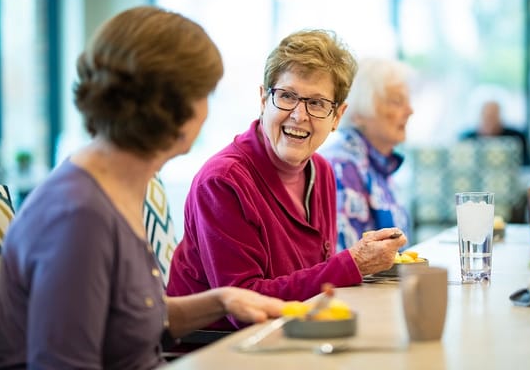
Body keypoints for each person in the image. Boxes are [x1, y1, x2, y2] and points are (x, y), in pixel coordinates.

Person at [0, 6, 284, 369]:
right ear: (173, 109)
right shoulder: (78, 216)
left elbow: (130, 319)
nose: (207, 112)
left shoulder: (117, 184)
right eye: (204, 96)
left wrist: (222, 300)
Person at [166, 29, 408, 331]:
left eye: (317, 103)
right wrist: (352, 264)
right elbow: (244, 308)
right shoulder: (223, 182)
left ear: (337, 117)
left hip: (294, 336)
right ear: (263, 99)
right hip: (224, 350)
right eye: (287, 96)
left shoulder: (321, 172)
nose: (298, 115)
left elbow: (314, 283)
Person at [319, 57, 414, 251]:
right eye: (397, 101)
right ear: (358, 112)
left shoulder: (378, 163)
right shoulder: (342, 167)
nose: (410, 111)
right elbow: (347, 261)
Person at [460, 100, 530, 166]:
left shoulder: (516, 138)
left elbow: (527, 166)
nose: (489, 121)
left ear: (500, 117)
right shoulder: (467, 140)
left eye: (493, 116)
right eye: (486, 117)